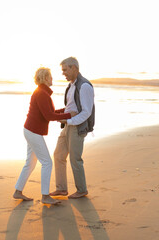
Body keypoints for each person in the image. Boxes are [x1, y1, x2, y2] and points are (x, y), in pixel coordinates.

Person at [13, 67, 76, 204]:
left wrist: (65, 110)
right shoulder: (42, 93)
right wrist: (68, 114)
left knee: (30, 163)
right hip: (33, 131)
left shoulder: (42, 93)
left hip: (30, 130)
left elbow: (49, 112)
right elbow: (49, 116)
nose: (52, 79)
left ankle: (18, 191)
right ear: (45, 78)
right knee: (47, 162)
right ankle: (45, 196)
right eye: (50, 77)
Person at [50, 57, 95, 199]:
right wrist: (56, 114)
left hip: (77, 127)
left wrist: (69, 120)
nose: (63, 73)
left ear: (74, 68)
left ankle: (82, 190)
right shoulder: (70, 86)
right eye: (62, 70)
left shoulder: (84, 86)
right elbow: (70, 107)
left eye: (65, 70)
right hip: (68, 125)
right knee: (58, 155)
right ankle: (62, 189)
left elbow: (86, 112)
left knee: (75, 159)